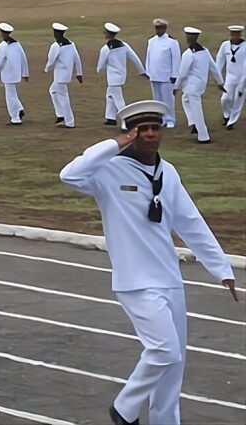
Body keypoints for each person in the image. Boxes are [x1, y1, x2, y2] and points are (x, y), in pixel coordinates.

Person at [59, 100, 236, 425]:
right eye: (142, 130)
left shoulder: (167, 173)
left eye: (155, 128)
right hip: (135, 281)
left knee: (174, 365)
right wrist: (116, 143)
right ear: (131, 133)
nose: (151, 135)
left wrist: (221, 268)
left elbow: (190, 222)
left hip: (170, 279)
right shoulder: (107, 171)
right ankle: (124, 409)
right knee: (164, 350)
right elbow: (69, 175)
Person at [174, 27, 224, 144]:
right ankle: (193, 123)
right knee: (185, 100)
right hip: (200, 85)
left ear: (189, 38)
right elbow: (214, 68)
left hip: (192, 87)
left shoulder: (188, 54)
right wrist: (220, 82)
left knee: (197, 111)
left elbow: (182, 74)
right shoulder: (205, 51)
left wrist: (176, 87)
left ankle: (203, 136)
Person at [97, 22, 147, 126]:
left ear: (107, 34)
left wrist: (105, 67)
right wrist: (142, 71)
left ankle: (126, 121)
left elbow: (100, 68)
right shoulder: (124, 45)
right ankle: (110, 118)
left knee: (118, 100)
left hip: (113, 78)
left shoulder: (105, 49)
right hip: (121, 76)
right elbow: (135, 58)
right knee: (110, 96)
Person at [44, 22, 83, 128]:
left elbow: (51, 60)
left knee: (64, 97)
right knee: (53, 91)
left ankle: (69, 121)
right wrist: (79, 73)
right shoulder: (70, 43)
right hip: (66, 74)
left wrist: (47, 69)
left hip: (60, 76)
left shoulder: (56, 46)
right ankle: (61, 115)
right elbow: (77, 58)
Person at [145, 18, 181, 128]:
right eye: (156, 28)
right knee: (157, 99)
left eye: (160, 28)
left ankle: (170, 119)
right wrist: (148, 71)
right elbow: (149, 57)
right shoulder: (151, 41)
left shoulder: (172, 42)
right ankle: (161, 118)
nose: (158, 30)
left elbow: (176, 59)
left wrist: (175, 75)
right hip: (154, 74)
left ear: (165, 28)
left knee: (168, 99)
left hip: (167, 76)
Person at [0, 22, 30, 125]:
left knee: (10, 96)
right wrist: (25, 73)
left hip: (8, 74)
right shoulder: (17, 44)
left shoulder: (2, 46)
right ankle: (19, 109)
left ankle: (15, 118)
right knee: (12, 93)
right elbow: (23, 58)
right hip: (16, 73)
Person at [216, 25, 245, 130]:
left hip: (242, 78)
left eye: (237, 34)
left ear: (240, 34)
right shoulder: (225, 45)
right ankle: (226, 116)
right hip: (230, 77)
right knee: (225, 99)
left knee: (238, 100)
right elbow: (220, 61)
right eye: (233, 34)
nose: (235, 36)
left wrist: (242, 85)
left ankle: (231, 122)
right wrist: (218, 77)